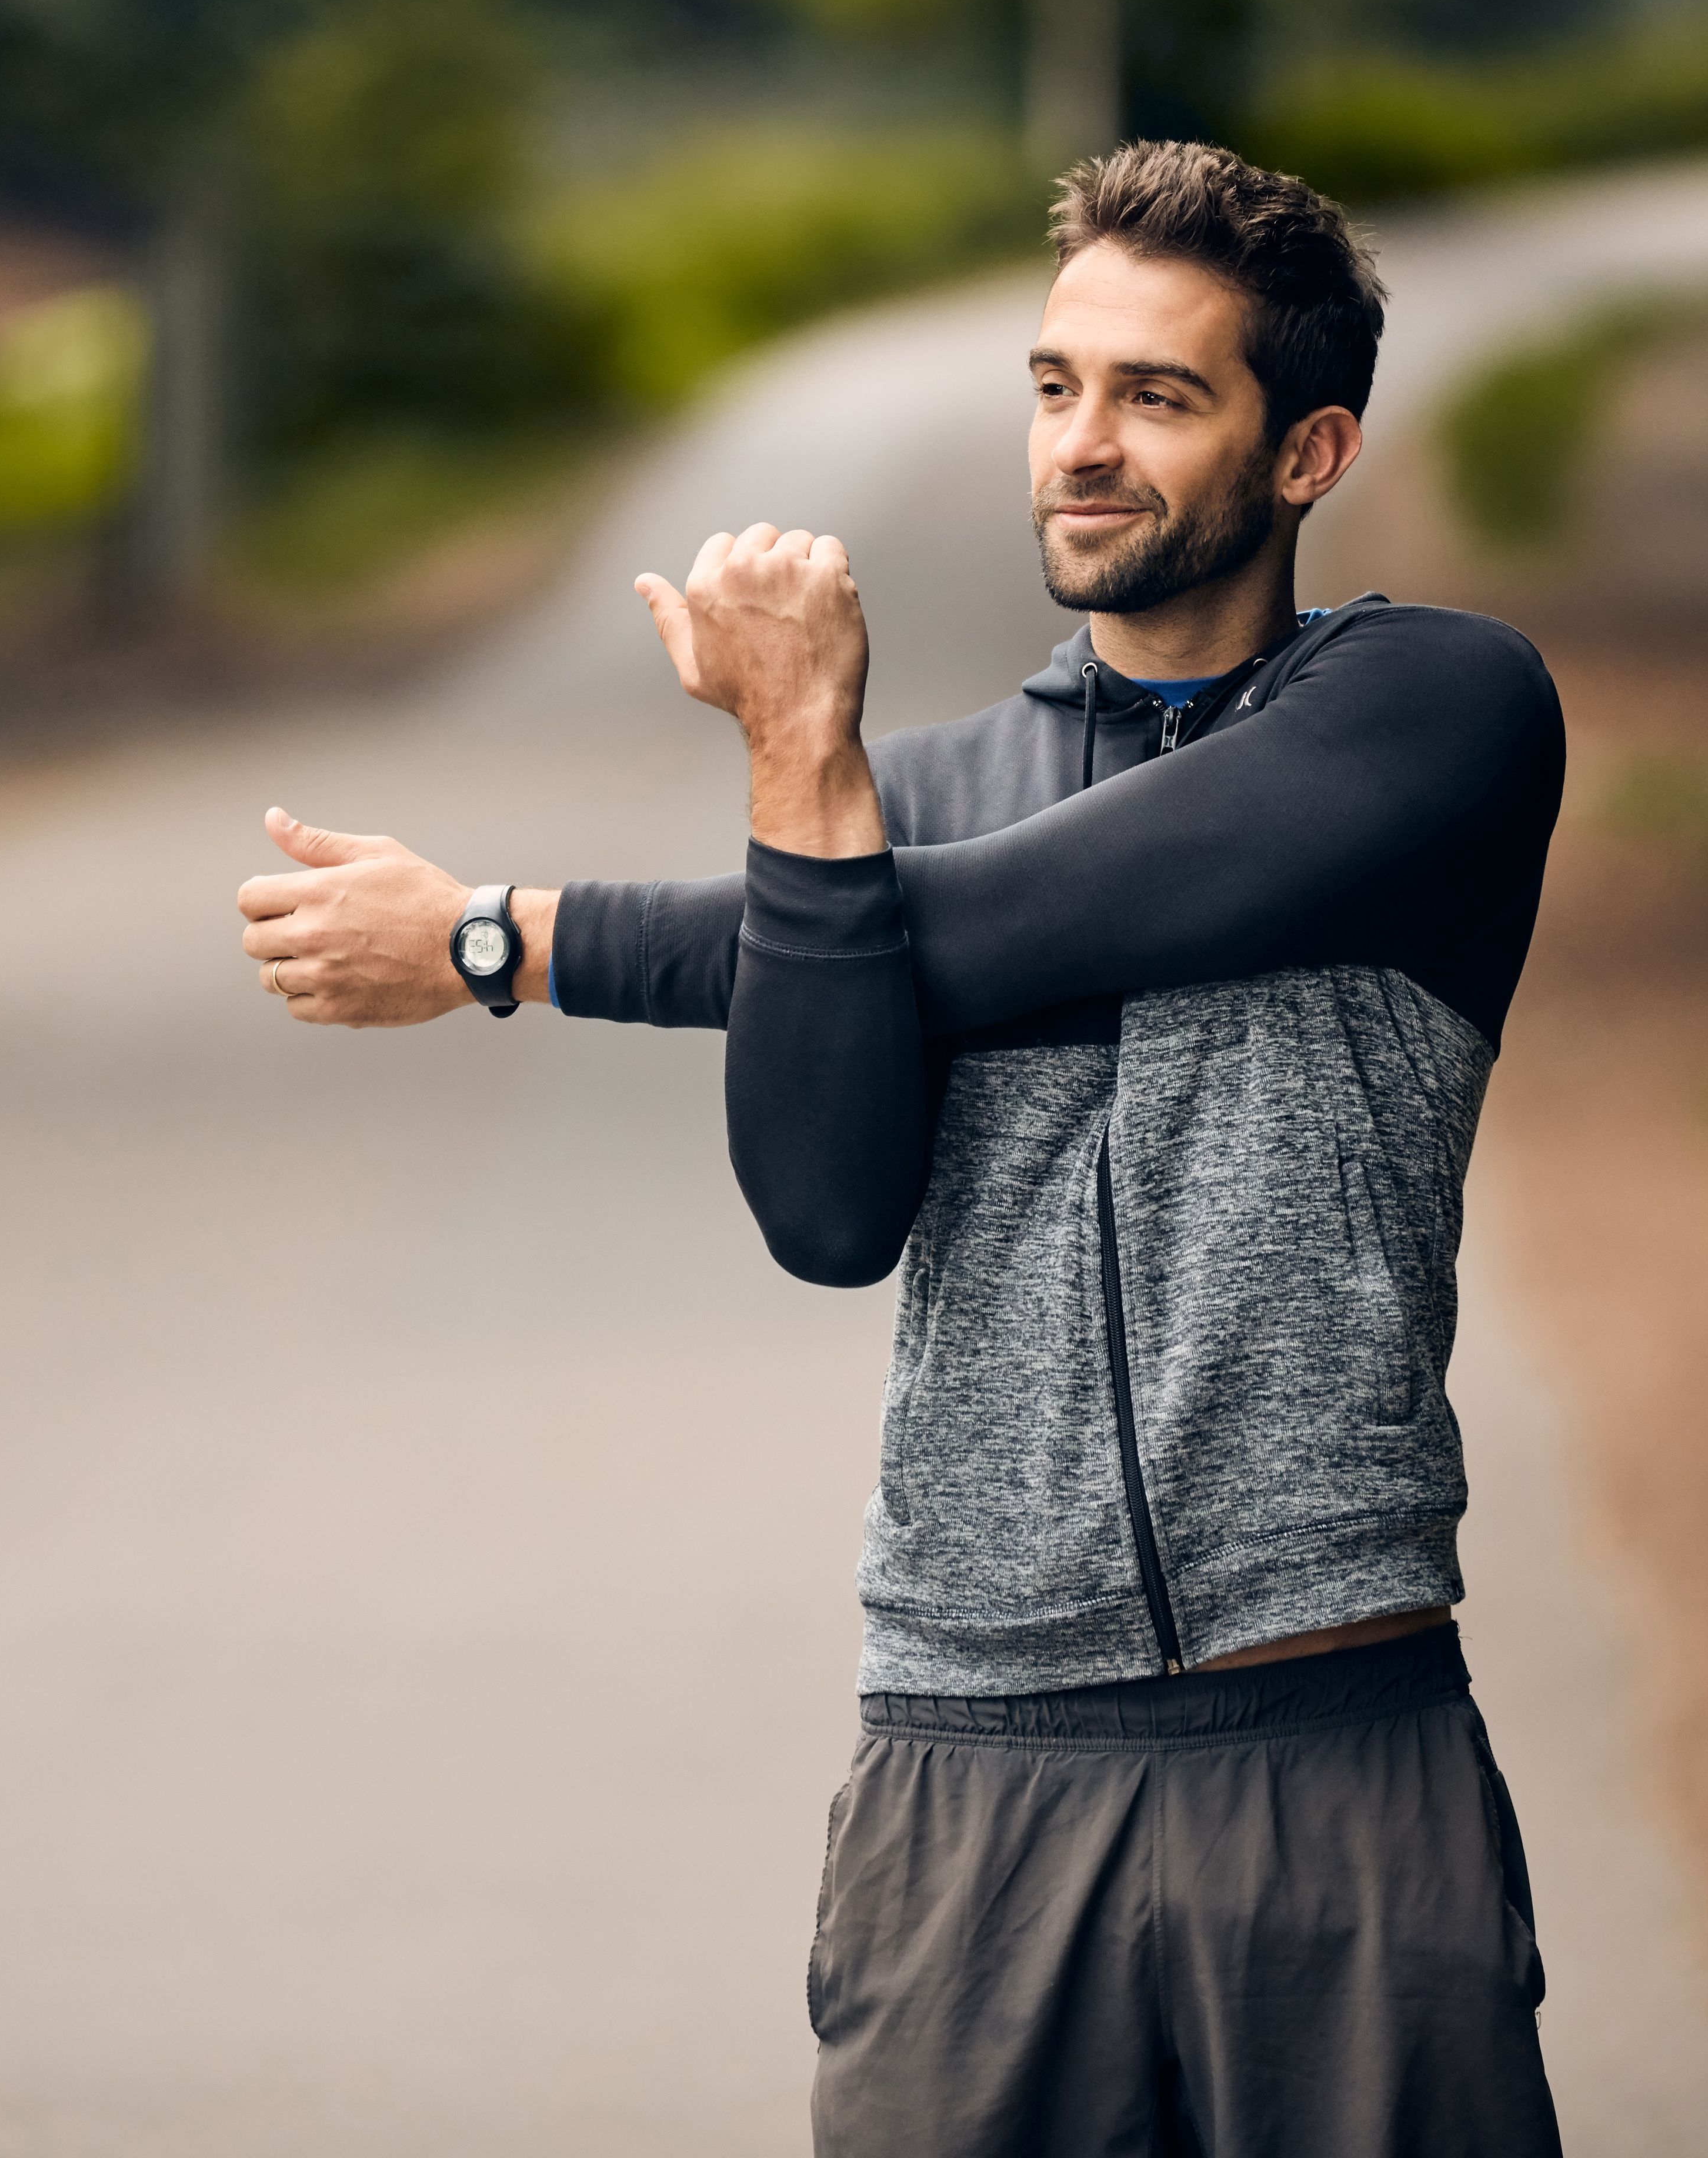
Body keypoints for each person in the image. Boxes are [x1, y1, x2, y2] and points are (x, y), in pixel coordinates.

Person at [235, 140, 1567, 2157]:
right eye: (1055, 387)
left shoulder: (1432, 722)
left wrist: (506, 937)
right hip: (969, 1780)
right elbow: (829, 1216)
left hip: (1333, 1757)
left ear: (1312, 454)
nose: (1084, 447)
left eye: (1159, 395)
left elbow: (1024, 920)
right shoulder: (884, 810)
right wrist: (806, 784)